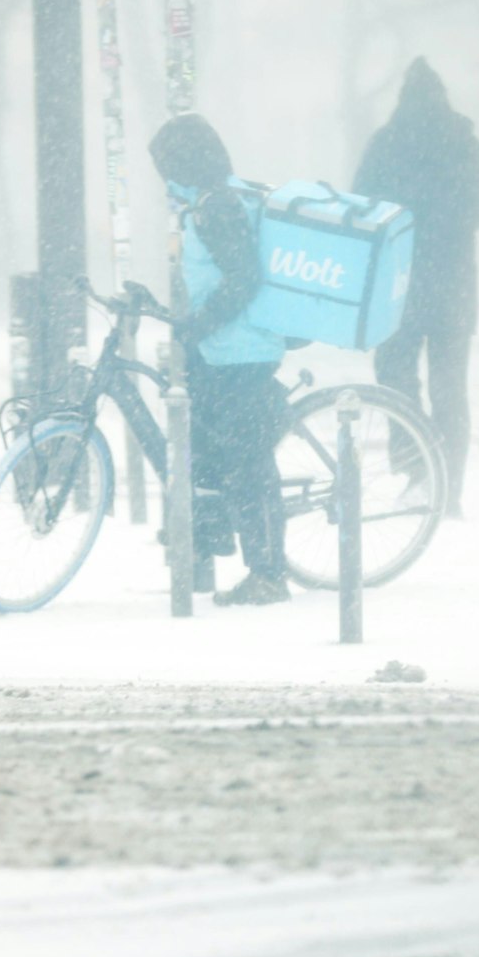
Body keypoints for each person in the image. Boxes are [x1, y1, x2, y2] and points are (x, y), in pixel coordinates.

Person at [148, 113, 291, 607]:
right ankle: (211, 538)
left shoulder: (218, 207)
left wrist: (200, 323)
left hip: (242, 351)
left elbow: (243, 277)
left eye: (167, 166)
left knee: (247, 463)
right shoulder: (213, 199)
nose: (164, 179)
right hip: (222, 351)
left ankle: (268, 573)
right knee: (211, 453)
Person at [352, 58, 479, 516]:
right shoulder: (464, 144)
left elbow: (361, 208)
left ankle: (416, 471)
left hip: (399, 286)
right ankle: (449, 487)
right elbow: (478, 212)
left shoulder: (386, 145)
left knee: (397, 381)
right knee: (451, 387)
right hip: (453, 285)